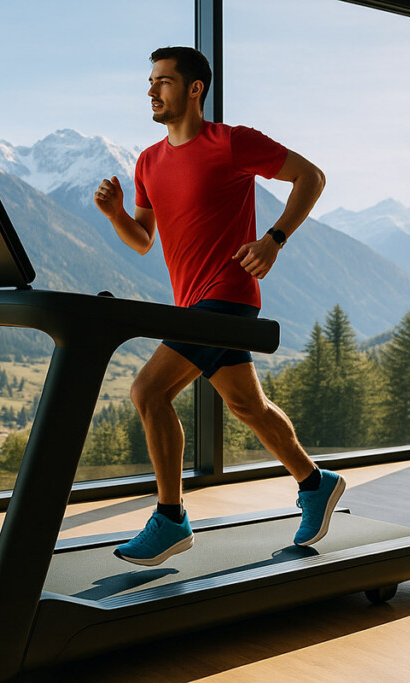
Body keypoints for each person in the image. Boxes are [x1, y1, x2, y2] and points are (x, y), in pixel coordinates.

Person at [94, 46, 344, 566]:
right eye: (150, 81)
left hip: (228, 295)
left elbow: (312, 177)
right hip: (192, 304)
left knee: (148, 392)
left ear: (194, 89)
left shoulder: (232, 142)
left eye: (163, 81)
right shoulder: (147, 162)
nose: (151, 91)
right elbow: (143, 240)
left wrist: (274, 239)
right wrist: (117, 214)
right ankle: (315, 483)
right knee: (248, 406)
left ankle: (170, 518)